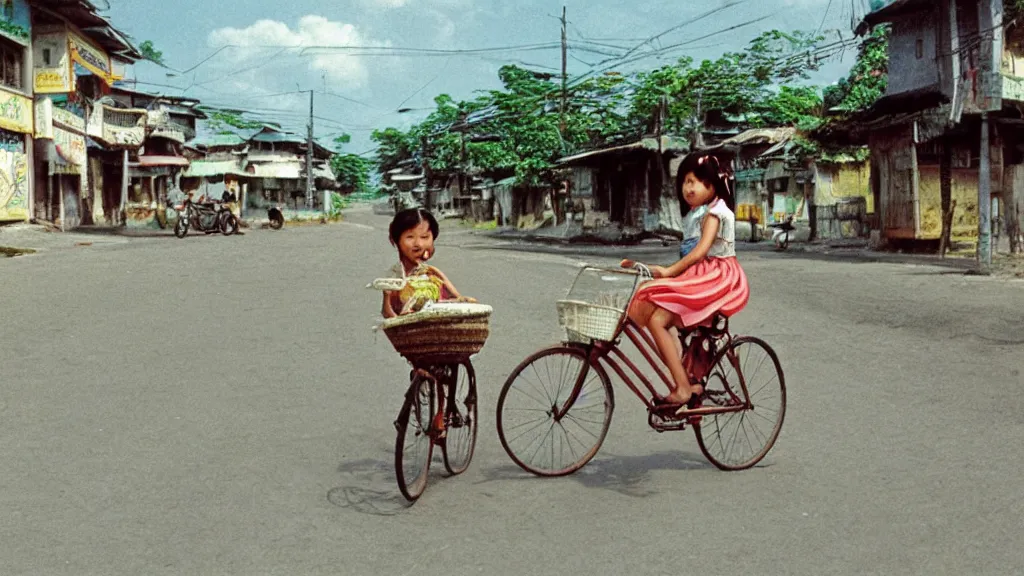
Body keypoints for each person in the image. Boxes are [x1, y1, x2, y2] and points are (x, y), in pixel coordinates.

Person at [620, 153, 749, 415]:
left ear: (711, 185)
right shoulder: (697, 213)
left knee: (658, 319)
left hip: (716, 276)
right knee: (656, 309)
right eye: (685, 182)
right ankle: (685, 375)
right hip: (700, 274)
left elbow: (700, 252)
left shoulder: (715, 213)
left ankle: (682, 388)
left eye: (696, 182)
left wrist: (668, 272)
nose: (689, 188)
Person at [381, 208, 475, 318]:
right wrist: (387, 296)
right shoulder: (395, 279)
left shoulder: (432, 274)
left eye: (424, 237)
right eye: (410, 237)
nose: (418, 244)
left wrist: (464, 301)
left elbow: (458, 300)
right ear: (396, 240)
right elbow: (388, 316)